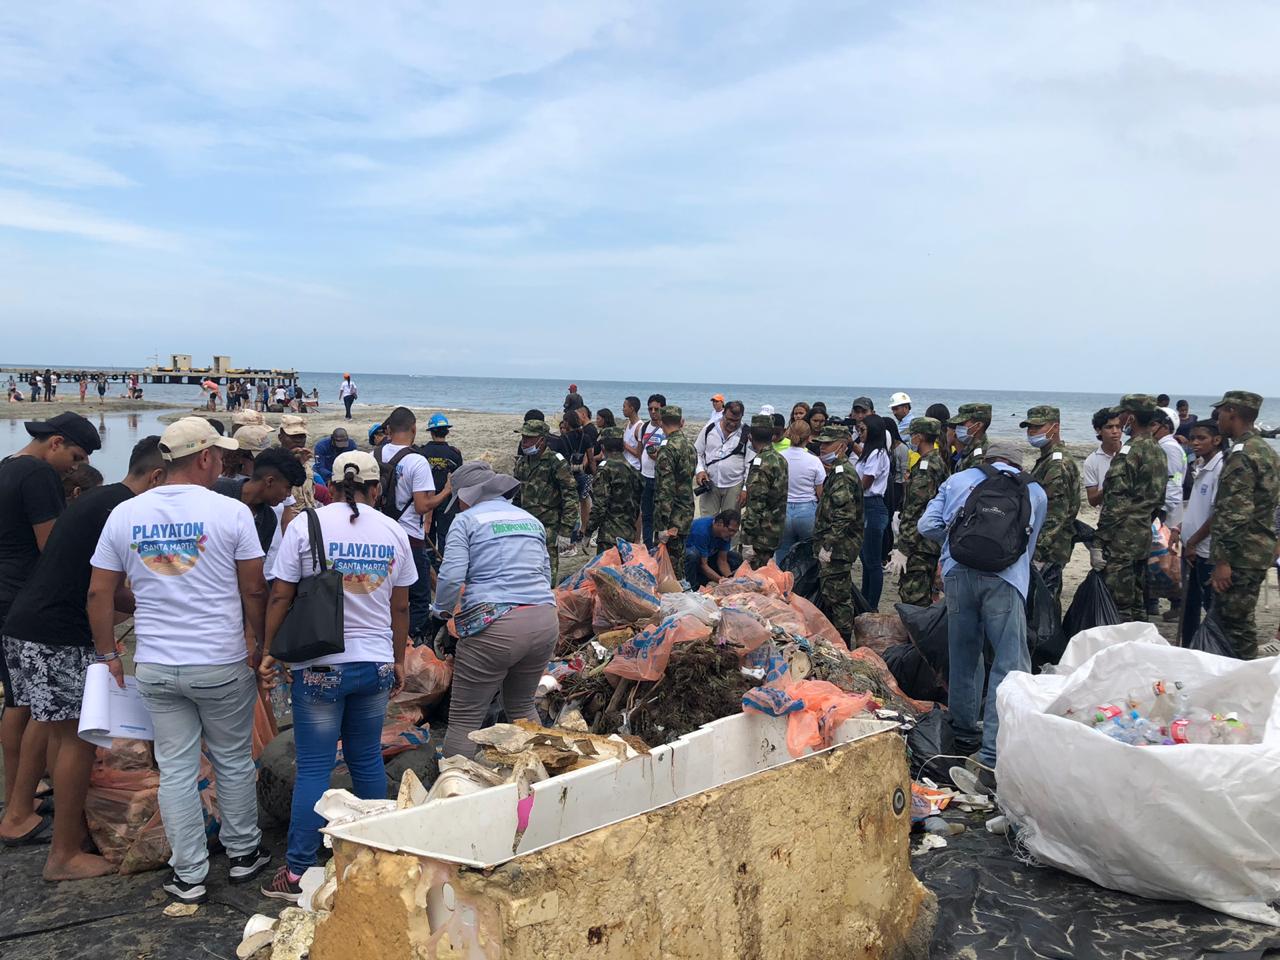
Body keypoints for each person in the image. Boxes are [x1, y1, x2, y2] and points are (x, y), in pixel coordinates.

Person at [87, 417, 271, 904]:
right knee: (231, 760)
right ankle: (243, 855)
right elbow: (254, 587)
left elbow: (98, 592)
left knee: (176, 769)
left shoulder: (125, 513)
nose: (223, 466)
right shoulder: (231, 512)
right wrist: (262, 644)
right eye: (221, 458)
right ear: (206, 457)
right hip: (220, 661)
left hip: (156, 664)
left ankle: (188, 874)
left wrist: (109, 653)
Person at [0, 436, 166, 878]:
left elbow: (110, 587)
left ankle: (24, 816)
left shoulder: (100, 500)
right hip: (57, 632)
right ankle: (63, 856)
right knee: (77, 737)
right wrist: (108, 650)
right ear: (156, 477)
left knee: (48, 723)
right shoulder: (123, 510)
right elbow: (103, 590)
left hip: (27, 624)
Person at [258, 451, 415, 901]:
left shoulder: (305, 526)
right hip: (375, 663)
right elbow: (400, 605)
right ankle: (379, 857)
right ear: (376, 488)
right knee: (366, 760)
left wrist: (270, 652)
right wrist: (399, 658)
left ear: (332, 483)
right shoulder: (393, 531)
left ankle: (298, 874)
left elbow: (280, 596)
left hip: (320, 665)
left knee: (314, 767)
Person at [918, 440, 1047, 787]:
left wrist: (957, 542)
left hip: (958, 574)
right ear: (1018, 464)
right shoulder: (1034, 490)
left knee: (963, 656)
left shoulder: (958, 480)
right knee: (1008, 663)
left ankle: (962, 734)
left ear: (987, 458)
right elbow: (1029, 543)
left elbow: (925, 525)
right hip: (1006, 580)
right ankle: (991, 755)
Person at [0, 412, 100, 848]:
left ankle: (16, 798)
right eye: (74, 458)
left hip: (8, 598)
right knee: (45, 710)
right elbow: (52, 545)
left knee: (19, 701)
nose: (72, 470)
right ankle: (18, 812)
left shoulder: (6, 465)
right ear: (55, 442)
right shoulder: (38, 472)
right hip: (30, 597)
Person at [432, 462, 557, 759]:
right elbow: (545, 573)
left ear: (466, 495)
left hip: (496, 625)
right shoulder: (530, 520)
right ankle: (540, 777)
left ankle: (455, 793)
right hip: (544, 621)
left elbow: (450, 577)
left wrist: (441, 611)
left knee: (465, 720)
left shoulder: (466, 521)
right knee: (522, 707)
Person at [1208, 391, 1280, 659]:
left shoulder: (1242, 454)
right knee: (1238, 622)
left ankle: (1245, 679)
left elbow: (1235, 512)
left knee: (1234, 626)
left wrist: (1223, 560)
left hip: (1241, 555)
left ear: (1232, 413)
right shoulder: (1266, 450)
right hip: (1257, 550)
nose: (1218, 419)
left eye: (1221, 413)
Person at [1090, 395, 1168, 622]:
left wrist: (1098, 541)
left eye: (1122, 415)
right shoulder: (1157, 450)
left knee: (1118, 605)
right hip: (1142, 533)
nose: (1119, 420)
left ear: (1130, 418)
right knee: (1137, 601)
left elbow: (1115, 503)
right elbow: (1158, 499)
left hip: (1121, 539)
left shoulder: (1129, 453)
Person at [376, 407, 448, 637]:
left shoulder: (374, 455)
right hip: (409, 537)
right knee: (418, 596)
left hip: (379, 532)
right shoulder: (417, 461)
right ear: (414, 429)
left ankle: (385, 633)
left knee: (383, 590)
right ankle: (408, 640)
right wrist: (446, 491)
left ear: (388, 429)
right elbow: (422, 506)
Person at [1023, 405, 1081, 602]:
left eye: (1038, 427)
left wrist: (1038, 553)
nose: (1032, 432)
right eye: (1029, 428)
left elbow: (1055, 515)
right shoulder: (1048, 460)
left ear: (1054, 427)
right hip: (1048, 545)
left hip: (1050, 549)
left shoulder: (1057, 464)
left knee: (1044, 606)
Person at [812, 425, 864, 638]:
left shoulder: (843, 474)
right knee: (831, 592)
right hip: (836, 545)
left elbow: (844, 514)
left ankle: (842, 640)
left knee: (838, 597)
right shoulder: (836, 471)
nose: (822, 448)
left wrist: (828, 545)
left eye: (827, 444)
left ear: (842, 446)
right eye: (821, 443)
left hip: (839, 547)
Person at [513, 419, 576, 587]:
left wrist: (566, 529)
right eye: (523, 437)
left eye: (528, 438)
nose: (524, 441)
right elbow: (517, 495)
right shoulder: (522, 463)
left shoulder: (556, 462)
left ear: (541, 439)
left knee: (547, 573)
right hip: (525, 525)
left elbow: (570, 495)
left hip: (549, 527)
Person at [893, 417, 947, 607]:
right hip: (929, 542)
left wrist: (904, 548)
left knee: (914, 597)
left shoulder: (926, 467)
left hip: (920, 545)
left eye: (913, 436)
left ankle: (917, 637)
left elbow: (916, 509)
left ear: (920, 437)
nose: (911, 441)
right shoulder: (938, 461)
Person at [1180, 420, 1223, 645]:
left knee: (1210, 603)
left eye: (1201, 438)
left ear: (1216, 440)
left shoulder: (1220, 468)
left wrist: (1195, 541)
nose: (1195, 443)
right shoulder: (1200, 465)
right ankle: (1190, 644)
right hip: (1191, 546)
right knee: (1190, 604)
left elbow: (1216, 514)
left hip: (1205, 549)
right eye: (1192, 438)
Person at [739, 414, 788, 568]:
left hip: (760, 536)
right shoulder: (780, 459)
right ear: (772, 435)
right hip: (774, 530)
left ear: (750, 437)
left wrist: (747, 540)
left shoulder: (761, 463)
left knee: (755, 582)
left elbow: (755, 504)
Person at [854, 414, 892, 609]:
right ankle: (865, 600)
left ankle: (871, 604)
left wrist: (849, 491)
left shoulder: (877, 454)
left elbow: (866, 482)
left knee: (873, 562)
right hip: (867, 506)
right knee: (866, 560)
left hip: (872, 505)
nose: (859, 433)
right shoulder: (869, 453)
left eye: (863, 430)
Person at [586, 427, 643, 554]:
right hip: (629, 534)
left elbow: (599, 506)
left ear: (603, 448)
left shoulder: (605, 470)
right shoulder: (633, 471)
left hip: (609, 536)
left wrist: (588, 531)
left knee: (607, 572)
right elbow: (638, 508)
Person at [651, 405, 697, 561]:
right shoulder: (690, 445)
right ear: (681, 422)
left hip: (672, 515)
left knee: (668, 565)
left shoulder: (667, 448)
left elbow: (665, 488)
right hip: (685, 511)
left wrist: (662, 524)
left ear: (662, 422)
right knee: (679, 559)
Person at [776, 421, 825, 565]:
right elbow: (819, 492)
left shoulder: (779, 457)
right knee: (807, 556)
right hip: (807, 510)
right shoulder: (814, 460)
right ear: (808, 437)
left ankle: (783, 584)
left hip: (783, 509)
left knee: (782, 554)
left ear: (788, 434)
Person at [694, 400, 748, 520]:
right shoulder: (709, 429)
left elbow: (750, 464)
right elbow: (697, 452)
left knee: (730, 525)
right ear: (723, 413)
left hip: (734, 485)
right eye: (729, 419)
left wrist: (745, 489)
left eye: (736, 421)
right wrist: (700, 470)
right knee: (706, 522)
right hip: (710, 482)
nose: (732, 424)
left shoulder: (746, 433)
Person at [420, 413, 463, 558]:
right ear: (447, 432)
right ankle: (444, 561)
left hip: (426, 498)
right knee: (445, 533)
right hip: (448, 500)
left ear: (431, 432)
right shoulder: (454, 454)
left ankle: (430, 561)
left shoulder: (422, 452)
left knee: (427, 532)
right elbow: (458, 480)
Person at [561, 407, 598, 545]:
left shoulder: (563, 438)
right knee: (583, 502)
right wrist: (595, 475)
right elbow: (591, 458)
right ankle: (584, 530)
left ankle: (572, 536)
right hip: (582, 473)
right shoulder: (586, 437)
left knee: (570, 505)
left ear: (567, 423)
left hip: (568, 474)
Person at [684, 510, 742, 588]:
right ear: (720, 523)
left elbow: (722, 560)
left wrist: (730, 579)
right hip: (691, 559)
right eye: (730, 530)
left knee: (735, 558)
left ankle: (705, 580)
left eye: (735, 531)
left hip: (706, 557)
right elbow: (703, 565)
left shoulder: (725, 534)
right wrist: (721, 580)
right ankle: (691, 586)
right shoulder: (702, 531)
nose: (732, 534)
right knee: (692, 555)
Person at [637, 394, 667, 548]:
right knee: (646, 514)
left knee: (661, 514)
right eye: (650, 409)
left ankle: (660, 545)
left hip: (660, 478)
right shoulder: (644, 427)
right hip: (645, 475)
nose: (653, 412)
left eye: (657, 409)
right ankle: (648, 546)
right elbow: (640, 449)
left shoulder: (666, 430)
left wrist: (658, 457)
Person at [1083, 407, 1123, 507]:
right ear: (1098, 430)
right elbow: (1092, 500)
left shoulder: (1132, 453)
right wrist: (1111, 483)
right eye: (1109, 427)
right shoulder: (1091, 461)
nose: (1115, 431)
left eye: (1118, 426)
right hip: (1108, 516)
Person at [950, 403, 993, 471]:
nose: (957, 428)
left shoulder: (981, 457)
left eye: (961, 424)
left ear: (978, 426)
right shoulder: (969, 449)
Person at [621, 396, 644, 474]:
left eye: (624, 406)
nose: (623, 409)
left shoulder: (639, 427)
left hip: (634, 468)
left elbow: (639, 453)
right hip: (626, 466)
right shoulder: (628, 423)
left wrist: (624, 444)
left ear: (632, 408)